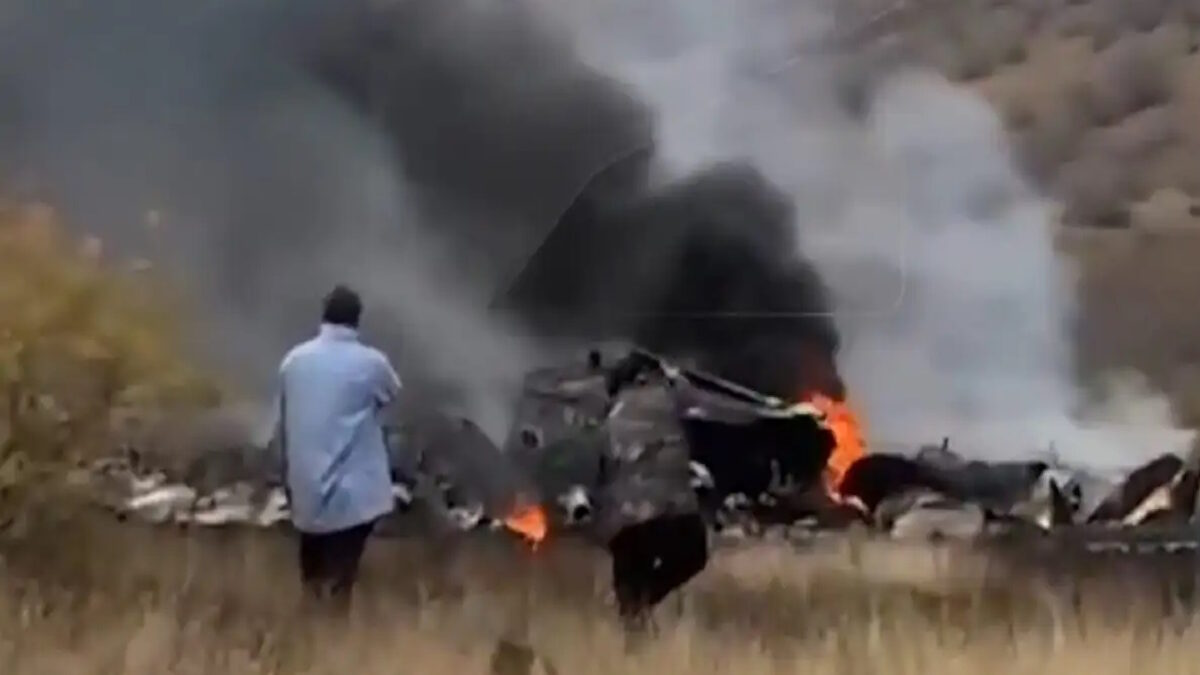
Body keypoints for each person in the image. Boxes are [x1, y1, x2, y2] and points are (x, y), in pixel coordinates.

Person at [273, 285, 402, 610]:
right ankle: (333, 628)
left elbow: (284, 423)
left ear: (324, 316)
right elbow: (391, 395)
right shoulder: (372, 363)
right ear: (357, 320)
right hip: (353, 495)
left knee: (313, 576)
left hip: (305, 490)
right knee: (340, 577)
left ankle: (311, 627)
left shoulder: (293, 362)